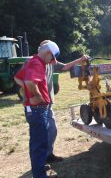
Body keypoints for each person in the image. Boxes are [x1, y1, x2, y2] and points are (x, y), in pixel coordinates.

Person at [38, 40, 90, 163]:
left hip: (48, 104)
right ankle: (41, 161)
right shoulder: (36, 63)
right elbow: (23, 80)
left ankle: (48, 155)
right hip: (39, 105)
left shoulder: (51, 62)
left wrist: (80, 60)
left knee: (52, 130)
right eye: (51, 54)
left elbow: (65, 66)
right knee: (42, 133)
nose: (53, 57)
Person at [14, 41, 60, 178]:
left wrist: (29, 92)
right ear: (47, 53)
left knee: (39, 141)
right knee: (39, 143)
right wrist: (37, 96)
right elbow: (29, 82)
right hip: (37, 109)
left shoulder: (32, 61)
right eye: (52, 58)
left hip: (35, 109)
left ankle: (39, 168)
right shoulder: (37, 63)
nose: (52, 61)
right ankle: (39, 175)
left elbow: (17, 78)